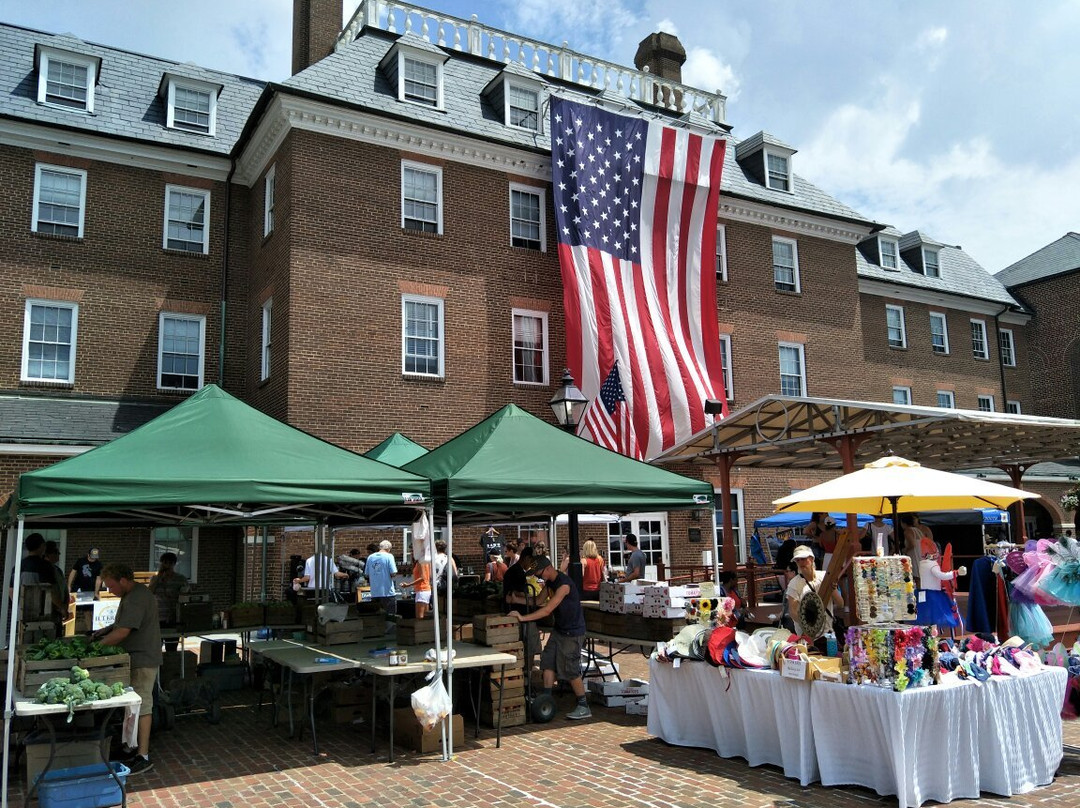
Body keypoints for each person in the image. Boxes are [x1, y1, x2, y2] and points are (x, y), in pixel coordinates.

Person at [95, 562, 161, 776]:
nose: (109, 590)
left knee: (142, 705)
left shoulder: (136, 598)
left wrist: (96, 648)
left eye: (111, 586)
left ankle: (143, 756)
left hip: (143, 659)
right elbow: (121, 625)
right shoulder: (131, 594)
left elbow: (123, 632)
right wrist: (104, 631)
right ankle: (130, 747)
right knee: (132, 707)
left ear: (123, 581)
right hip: (135, 657)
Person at [509, 556, 591, 720]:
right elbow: (538, 600)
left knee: (570, 669)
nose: (538, 577)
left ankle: (583, 705)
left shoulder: (564, 585)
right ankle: (546, 700)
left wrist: (522, 618)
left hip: (572, 632)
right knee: (547, 662)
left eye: (539, 574)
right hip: (559, 630)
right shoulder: (550, 584)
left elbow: (547, 610)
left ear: (548, 568)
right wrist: (517, 599)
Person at [785, 545, 843, 640]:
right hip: (807, 637)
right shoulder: (794, 584)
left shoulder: (825, 577)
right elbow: (793, 612)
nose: (800, 562)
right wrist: (808, 626)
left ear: (811, 559)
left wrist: (833, 589)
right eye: (798, 560)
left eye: (803, 559)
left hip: (828, 634)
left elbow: (840, 604)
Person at [915, 538, 967, 628]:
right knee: (935, 615)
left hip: (924, 592)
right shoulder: (933, 565)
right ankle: (933, 630)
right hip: (933, 594)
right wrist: (956, 572)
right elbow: (942, 575)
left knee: (925, 614)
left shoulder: (922, 564)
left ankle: (927, 630)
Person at [148, 552, 188, 651]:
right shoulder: (155, 579)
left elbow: (186, 595)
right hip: (158, 617)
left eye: (170, 563)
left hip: (173, 617)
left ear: (174, 564)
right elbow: (149, 593)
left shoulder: (180, 579)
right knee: (155, 647)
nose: (167, 565)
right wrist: (159, 577)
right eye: (164, 563)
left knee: (171, 647)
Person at [365, 540, 398, 632]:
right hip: (387, 591)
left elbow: (367, 574)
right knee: (390, 614)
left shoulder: (370, 557)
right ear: (389, 549)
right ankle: (390, 632)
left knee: (377, 614)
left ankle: (377, 631)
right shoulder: (389, 556)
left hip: (374, 591)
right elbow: (393, 573)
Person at [42, 540, 70, 624]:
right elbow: (51, 590)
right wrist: (61, 607)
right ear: (48, 554)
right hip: (48, 611)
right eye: (56, 552)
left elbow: (64, 589)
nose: (59, 554)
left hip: (58, 611)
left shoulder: (57, 570)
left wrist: (65, 606)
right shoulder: (45, 569)